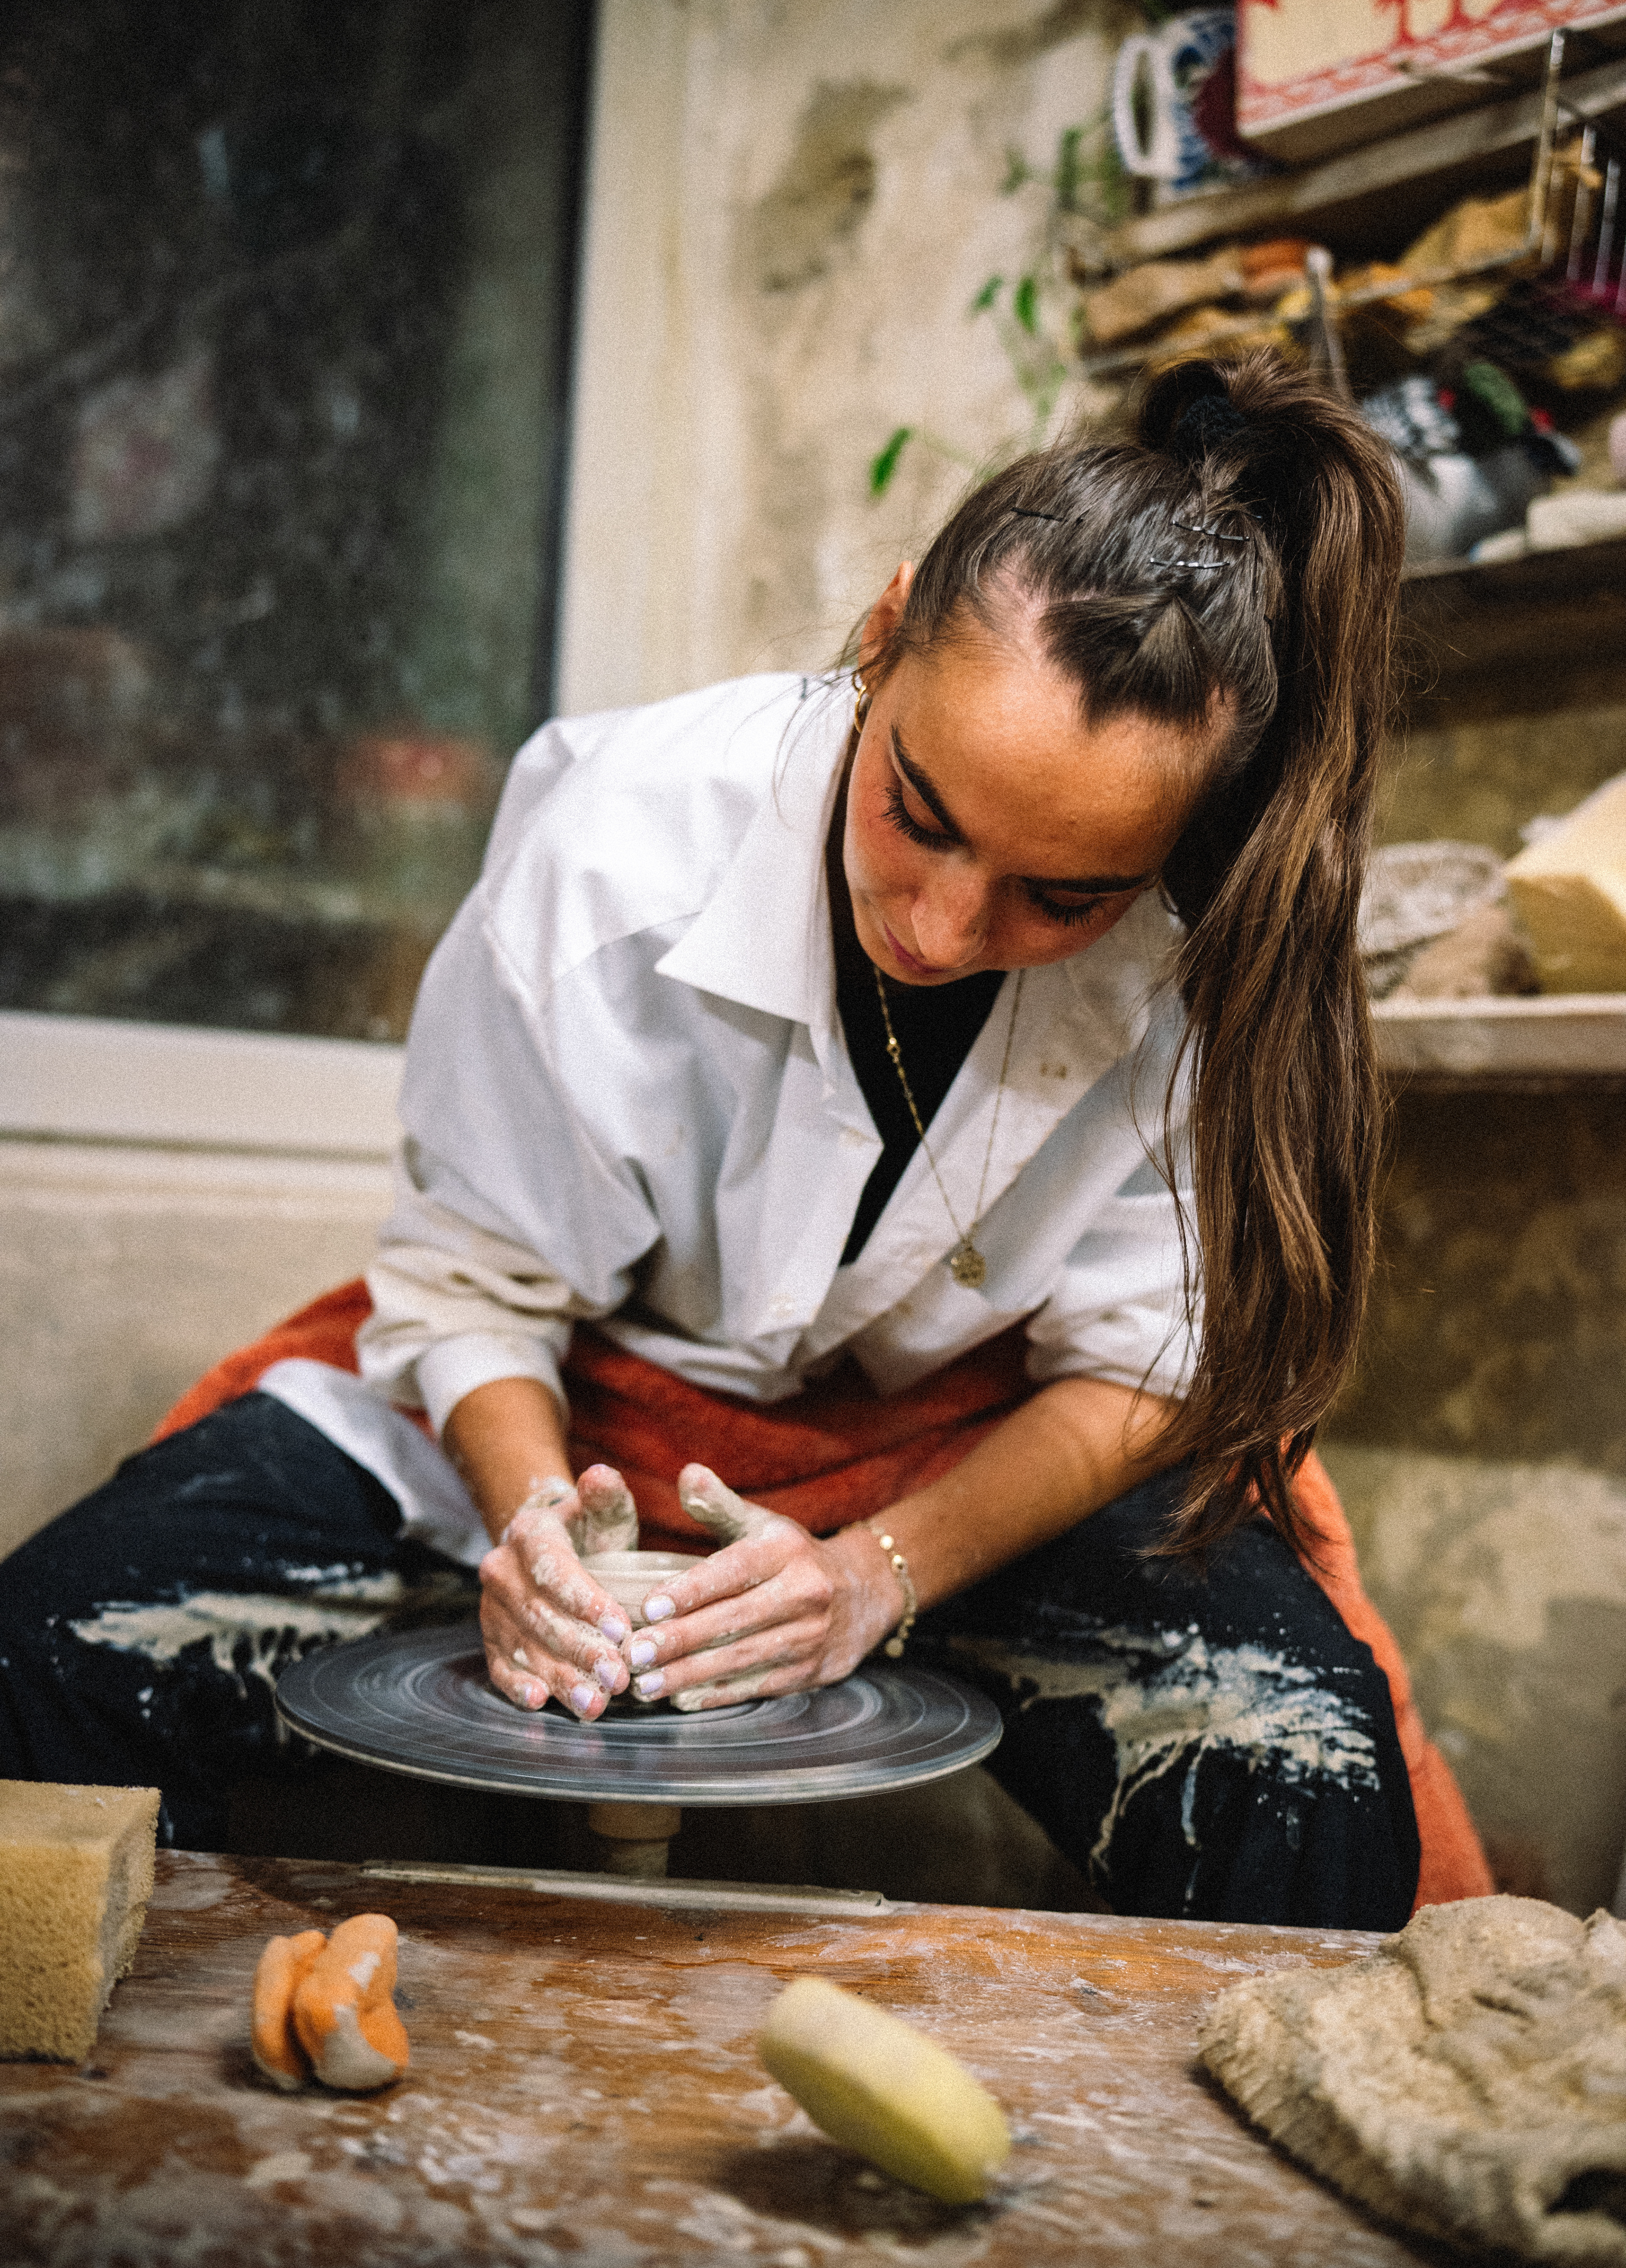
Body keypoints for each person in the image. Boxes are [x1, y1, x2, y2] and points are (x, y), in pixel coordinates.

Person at [0, 354, 1493, 1926]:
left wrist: (879, 1572)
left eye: (1064, 897)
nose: (942, 924)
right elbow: (478, 1287)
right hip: (576, 1392)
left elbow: (1141, 1369)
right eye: (920, 812)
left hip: (954, 1445)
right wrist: (532, 1529)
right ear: (882, 634)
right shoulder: (613, 848)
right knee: (52, 1649)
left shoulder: (1209, 952)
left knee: (1301, 1766)